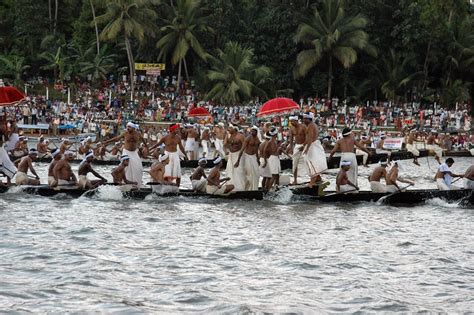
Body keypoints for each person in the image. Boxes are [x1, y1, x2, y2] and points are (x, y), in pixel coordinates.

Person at [103, 121, 147, 187]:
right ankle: (122, 182)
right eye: (127, 127)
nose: (127, 128)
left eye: (129, 127)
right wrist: (107, 141)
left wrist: (146, 148)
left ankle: (136, 183)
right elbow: (117, 138)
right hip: (126, 152)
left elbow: (144, 142)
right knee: (126, 167)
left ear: (133, 127)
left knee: (139, 168)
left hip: (134, 153)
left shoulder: (138, 134)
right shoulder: (125, 133)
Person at [302, 113, 327, 187]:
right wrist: (304, 145)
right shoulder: (312, 125)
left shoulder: (310, 126)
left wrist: (307, 149)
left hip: (312, 146)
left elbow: (310, 138)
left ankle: (312, 182)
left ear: (309, 119)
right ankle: (318, 178)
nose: (303, 120)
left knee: (311, 163)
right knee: (313, 162)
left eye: (305, 118)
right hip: (314, 145)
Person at [235, 126, 260, 191]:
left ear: (257, 132)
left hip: (254, 157)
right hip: (247, 157)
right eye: (252, 131)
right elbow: (242, 150)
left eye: (254, 131)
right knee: (249, 174)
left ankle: (254, 189)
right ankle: (248, 189)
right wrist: (238, 161)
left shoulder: (257, 139)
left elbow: (257, 150)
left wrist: (258, 159)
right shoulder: (248, 138)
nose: (252, 132)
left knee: (256, 173)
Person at [225, 124, 246, 191]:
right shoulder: (229, 136)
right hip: (231, 155)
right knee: (230, 170)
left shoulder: (240, 136)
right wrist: (226, 151)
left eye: (230, 128)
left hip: (239, 155)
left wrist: (240, 158)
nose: (228, 129)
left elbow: (244, 146)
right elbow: (225, 144)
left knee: (239, 171)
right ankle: (231, 186)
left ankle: (241, 188)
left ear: (234, 129)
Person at [287, 116, 307, 184]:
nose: (292, 123)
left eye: (293, 121)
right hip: (297, 146)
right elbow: (291, 139)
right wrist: (291, 148)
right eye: (291, 121)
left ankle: (314, 177)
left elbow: (308, 137)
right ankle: (295, 180)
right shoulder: (291, 128)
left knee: (309, 162)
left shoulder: (303, 127)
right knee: (294, 163)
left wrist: (304, 146)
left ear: (297, 120)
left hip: (305, 145)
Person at [262, 127, 281, 191]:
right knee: (273, 175)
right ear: (275, 134)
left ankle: (276, 189)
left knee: (277, 175)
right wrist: (265, 161)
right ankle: (268, 190)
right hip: (273, 158)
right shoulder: (271, 141)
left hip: (276, 158)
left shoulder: (275, 140)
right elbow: (265, 150)